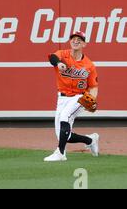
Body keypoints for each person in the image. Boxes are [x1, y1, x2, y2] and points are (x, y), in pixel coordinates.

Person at [44, 31, 99, 162]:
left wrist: (91, 100)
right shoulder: (62, 55)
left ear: (84, 44)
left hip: (79, 97)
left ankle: (60, 153)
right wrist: (58, 63)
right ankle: (91, 140)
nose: (76, 41)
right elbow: (52, 57)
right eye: (73, 39)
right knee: (64, 136)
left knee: (65, 116)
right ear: (70, 41)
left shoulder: (89, 65)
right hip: (62, 98)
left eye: (79, 39)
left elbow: (93, 86)